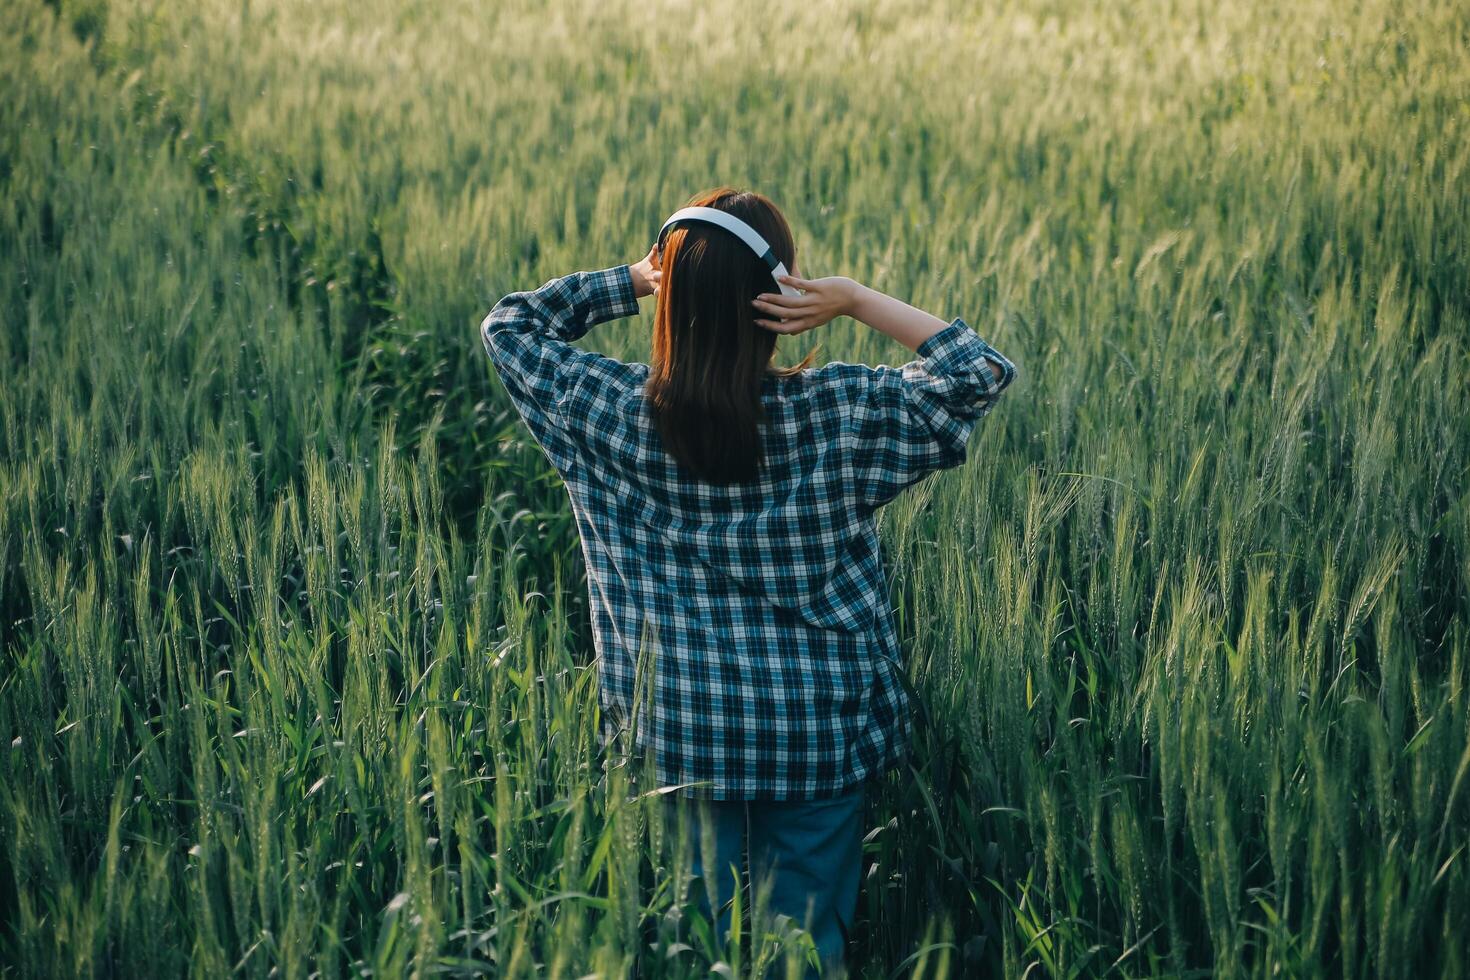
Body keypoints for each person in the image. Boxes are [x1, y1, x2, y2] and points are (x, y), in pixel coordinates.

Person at [479, 186, 1016, 976]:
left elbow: (511, 326)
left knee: (699, 951)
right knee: (804, 953)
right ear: (782, 297)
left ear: (674, 296)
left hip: (679, 739)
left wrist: (635, 277)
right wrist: (857, 301)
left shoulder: (602, 410)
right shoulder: (835, 415)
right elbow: (975, 373)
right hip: (817, 737)